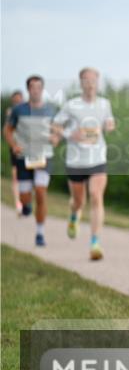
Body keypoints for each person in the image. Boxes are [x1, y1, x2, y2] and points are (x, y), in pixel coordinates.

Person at [51, 67, 116, 261]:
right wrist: (70, 134)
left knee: (96, 196)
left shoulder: (105, 104)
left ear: (97, 82)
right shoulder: (71, 105)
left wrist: (109, 126)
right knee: (79, 201)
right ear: (81, 83)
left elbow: (110, 122)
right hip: (76, 161)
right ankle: (74, 216)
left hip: (97, 158)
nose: (90, 84)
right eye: (86, 80)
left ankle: (95, 243)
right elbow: (55, 125)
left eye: (93, 80)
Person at [3, 76, 57, 246]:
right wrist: (13, 145)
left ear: (42, 89)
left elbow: (57, 130)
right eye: (32, 87)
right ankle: (26, 206)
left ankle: (40, 233)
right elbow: (7, 131)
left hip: (43, 156)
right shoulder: (19, 110)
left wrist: (56, 137)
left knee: (41, 193)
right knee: (25, 196)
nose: (36, 90)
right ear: (28, 89)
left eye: (39, 87)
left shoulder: (50, 110)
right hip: (23, 157)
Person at [5, 90, 25, 214]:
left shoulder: (28, 111)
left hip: (27, 147)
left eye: (19, 100)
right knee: (15, 175)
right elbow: (7, 131)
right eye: (15, 100)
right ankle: (18, 203)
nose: (17, 102)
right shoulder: (11, 113)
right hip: (15, 146)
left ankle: (25, 200)